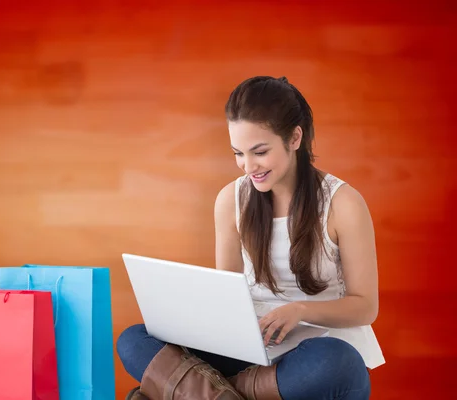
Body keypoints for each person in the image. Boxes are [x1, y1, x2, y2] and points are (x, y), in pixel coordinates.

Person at [117, 76, 385, 400]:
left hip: (314, 348)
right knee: (133, 340)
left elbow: (365, 307)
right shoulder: (231, 200)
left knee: (340, 366)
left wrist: (299, 310)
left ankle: (199, 393)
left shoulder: (343, 204)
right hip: (250, 349)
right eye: (238, 153)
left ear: (295, 137)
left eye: (259, 151)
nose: (248, 166)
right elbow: (226, 295)